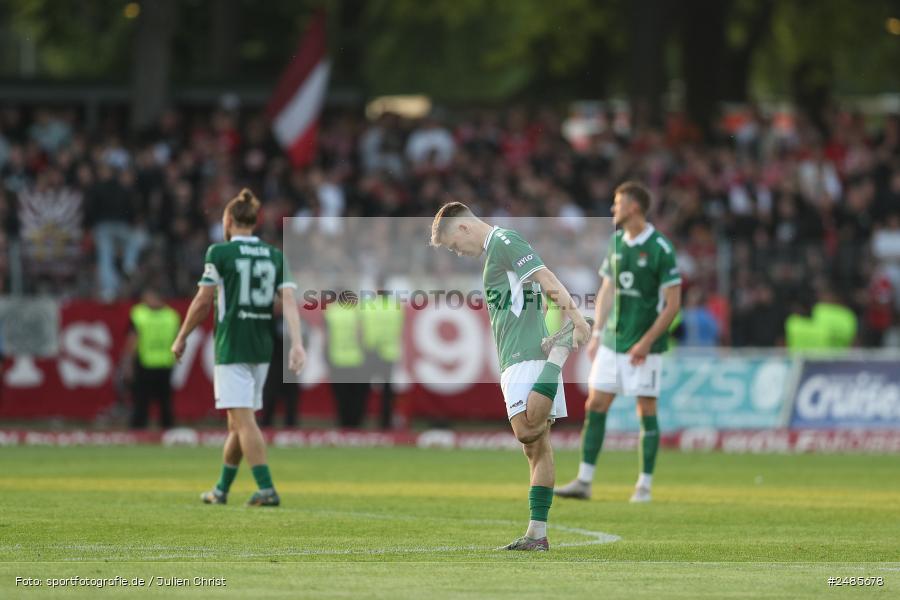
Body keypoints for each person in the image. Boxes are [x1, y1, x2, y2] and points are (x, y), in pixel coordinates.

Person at [430, 202, 592, 552]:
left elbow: (545, 277)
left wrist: (576, 320)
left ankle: (560, 355)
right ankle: (537, 533)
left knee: (526, 429)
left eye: (455, 246)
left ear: (463, 228)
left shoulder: (503, 241)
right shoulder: (497, 252)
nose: (459, 253)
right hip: (518, 353)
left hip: (525, 353)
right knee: (536, 447)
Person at [171, 189, 305, 507]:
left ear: (228, 220)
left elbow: (204, 300)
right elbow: (287, 300)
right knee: (237, 423)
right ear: (255, 222)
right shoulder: (275, 256)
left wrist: (182, 335)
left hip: (231, 345)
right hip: (261, 347)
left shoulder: (220, 253)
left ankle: (266, 488)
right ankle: (221, 489)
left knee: (244, 421)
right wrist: (296, 343)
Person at [556, 181, 682, 504]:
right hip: (612, 341)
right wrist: (597, 333)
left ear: (634, 207)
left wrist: (647, 341)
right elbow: (607, 291)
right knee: (595, 405)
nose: (613, 209)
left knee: (646, 410)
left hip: (645, 347)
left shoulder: (660, 249)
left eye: (618, 203)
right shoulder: (615, 244)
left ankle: (644, 485)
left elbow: (672, 304)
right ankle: (584, 481)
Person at [122, 287, 180, 429]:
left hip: (157, 364)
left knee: (160, 404)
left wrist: (127, 363)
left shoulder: (141, 314)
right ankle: (147, 431)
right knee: (145, 403)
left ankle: (149, 432)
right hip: (149, 364)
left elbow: (132, 339)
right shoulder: (170, 315)